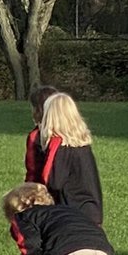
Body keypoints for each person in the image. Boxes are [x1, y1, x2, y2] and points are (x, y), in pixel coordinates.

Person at [11, 85, 59, 255]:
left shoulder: (36, 137)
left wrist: (29, 200)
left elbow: (32, 172)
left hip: (40, 206)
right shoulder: (68, 138)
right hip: (62, 205)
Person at [37, 92, 103, 226]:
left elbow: (54, 182)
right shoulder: (82, 145)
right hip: (91, 211)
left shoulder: (61, 147)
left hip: (73, 215)